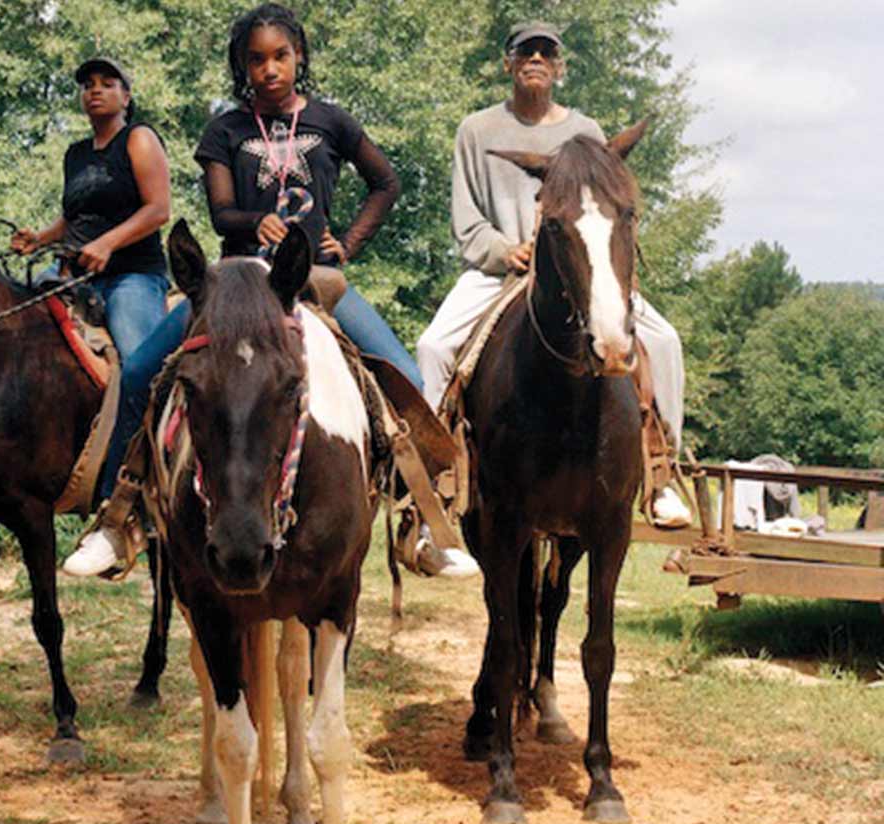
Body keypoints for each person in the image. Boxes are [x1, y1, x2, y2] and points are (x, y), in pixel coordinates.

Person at [63, 3, 477, 578]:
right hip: (235, 284)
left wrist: (349, 242)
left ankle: (421, 521)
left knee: (403, 373)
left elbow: (385, 182)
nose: (269, 69)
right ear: (243, 67)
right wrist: (253, 222)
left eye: (280, 56)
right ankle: (119, 518)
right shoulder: (225, 130)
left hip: (315, 280)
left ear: (298, 56)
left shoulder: (331, 121)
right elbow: (219, 211)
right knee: (138, 375)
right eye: (256, 60)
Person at [415, 21, 692, 528]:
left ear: (559, 67)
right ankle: (434, 480)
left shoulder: (585, 132)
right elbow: (467, 218)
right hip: (499, 270)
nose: (536, 59)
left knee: (666, 342)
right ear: (508, 63)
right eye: (525, 52)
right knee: (433, 346)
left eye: (546, 52)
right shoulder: (475, 131)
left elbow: (602, 210)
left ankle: (661, 471)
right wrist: (504, 250)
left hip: (579, 271)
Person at [12, 56, 172, 368]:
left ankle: (155, 414)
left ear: (126, 97)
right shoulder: (76, 154)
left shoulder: (138, 138)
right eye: (88, 86)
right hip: (72, 276)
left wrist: (106, 244)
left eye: (107, 85)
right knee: (13, 326)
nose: (95, 91)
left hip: (130, 277)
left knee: (140, 364)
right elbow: (75, 216)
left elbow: (158, 209)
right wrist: (39, 239)